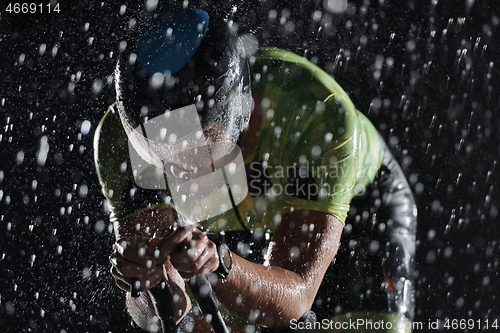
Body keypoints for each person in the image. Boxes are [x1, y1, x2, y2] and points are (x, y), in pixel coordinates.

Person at [94, 7, 417, 333]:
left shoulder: (316, 113)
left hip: (357, 217)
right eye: (160, 158)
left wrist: (222, 264)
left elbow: (295, 301)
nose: (180, 176)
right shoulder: (119, 142)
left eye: (196, 149)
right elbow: (165, 315)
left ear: (240, 113)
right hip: (240, 220)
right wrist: (151, 283)